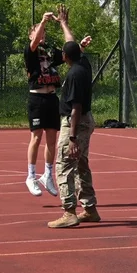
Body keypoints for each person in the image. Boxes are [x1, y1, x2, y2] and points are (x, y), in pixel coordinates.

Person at [22, 6, 75, 197]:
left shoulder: (49, 52)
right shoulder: (30, 50)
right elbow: (35, 42)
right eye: (39, 31)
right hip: (36, 98)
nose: (42, 34)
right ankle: (30, 176)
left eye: (44, 32)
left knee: (52, 140)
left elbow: (69, 53)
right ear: (32, 35)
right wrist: (43, 22)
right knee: (36, 137)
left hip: (52, 98)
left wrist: (81, 46)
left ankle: (47, 175)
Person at [48, 36, 99, 228]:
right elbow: (72, 44)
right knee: (81, 164)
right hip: (84, 121)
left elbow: (76, 107)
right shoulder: (83, 65)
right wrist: (64, 24)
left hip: (75, 123)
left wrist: (72, 137)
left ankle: (69, 211)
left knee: (64, 164)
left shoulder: (74, 75)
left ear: (65, 56)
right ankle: (90, 208)